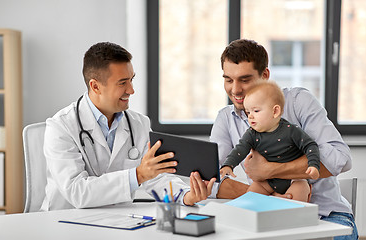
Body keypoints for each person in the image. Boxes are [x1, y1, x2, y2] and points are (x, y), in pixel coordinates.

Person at [41, 42, 215, 211]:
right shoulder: (61, 127)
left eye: (131, 80)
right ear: (95, 86)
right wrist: (138, 175)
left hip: (119, 219)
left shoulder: (139, 124)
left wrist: (186, 196)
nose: (131, 90)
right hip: (65, 221)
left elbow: (156, 177)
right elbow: (77, 192)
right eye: (122, 82)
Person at [211, 39, 358, 239]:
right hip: (265, 217)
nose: (235, 90)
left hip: (325, 215)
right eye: (228, 80)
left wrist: (269, 171)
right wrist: (268, 196)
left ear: (265, 76)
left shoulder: (298, 103)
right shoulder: (226, 119)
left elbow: (340, 159)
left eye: (245, 80)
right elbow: (212, 178)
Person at [220, 81, 320, 201]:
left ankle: (292, 217)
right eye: (248, 112)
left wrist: (313, 165)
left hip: (293, 179)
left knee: (298, 195)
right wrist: (228, 165)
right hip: (266, 181)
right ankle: (256, 215)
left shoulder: (291, 130)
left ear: (275, 111)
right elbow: (240, 149)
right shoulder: (251, 133)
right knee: (249, 198)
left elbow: (310, 145)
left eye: (256, 111)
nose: (250, 116)